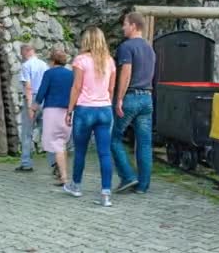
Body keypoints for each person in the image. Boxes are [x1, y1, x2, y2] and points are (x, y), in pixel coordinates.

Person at [63, 26, 116, 207]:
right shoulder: (109, 61)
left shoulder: (81, 60)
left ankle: (76, 186)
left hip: (85, 109)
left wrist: (70, 110)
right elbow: (111, 89)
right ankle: (106, 194)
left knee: (80, 151)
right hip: (105, 109)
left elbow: (76, 87)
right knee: (104, 152)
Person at [111, 12, 156, 194]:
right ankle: (143, 186)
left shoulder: (126, 47)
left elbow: (126, 73)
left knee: (112, 138)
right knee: (144, 143)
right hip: (147, 98)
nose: (123, 28)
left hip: (131, 97)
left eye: (125, 24)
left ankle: (128, 176)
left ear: (134, 26)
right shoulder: (150, 49)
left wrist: (119, 98)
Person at [30, 48, 74, 185]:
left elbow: (42, 91)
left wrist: (34, 107)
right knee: (62, 143)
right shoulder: (71, 74)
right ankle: (62, 173)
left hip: (53, 111)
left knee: (57, 144)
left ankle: (64, 177)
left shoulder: (49, 74)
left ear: (53, 61)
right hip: (68, 111)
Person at [15, 44, 54, 172]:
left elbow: (28, 87)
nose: (21, 56)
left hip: (33, 99)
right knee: (47, 133)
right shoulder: (44, 65)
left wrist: (30, 106)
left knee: (27, 133)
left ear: (26, 51)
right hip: (45, 99)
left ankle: (26, 163)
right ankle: (54, 163)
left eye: (22, 53)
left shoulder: (26, 66)